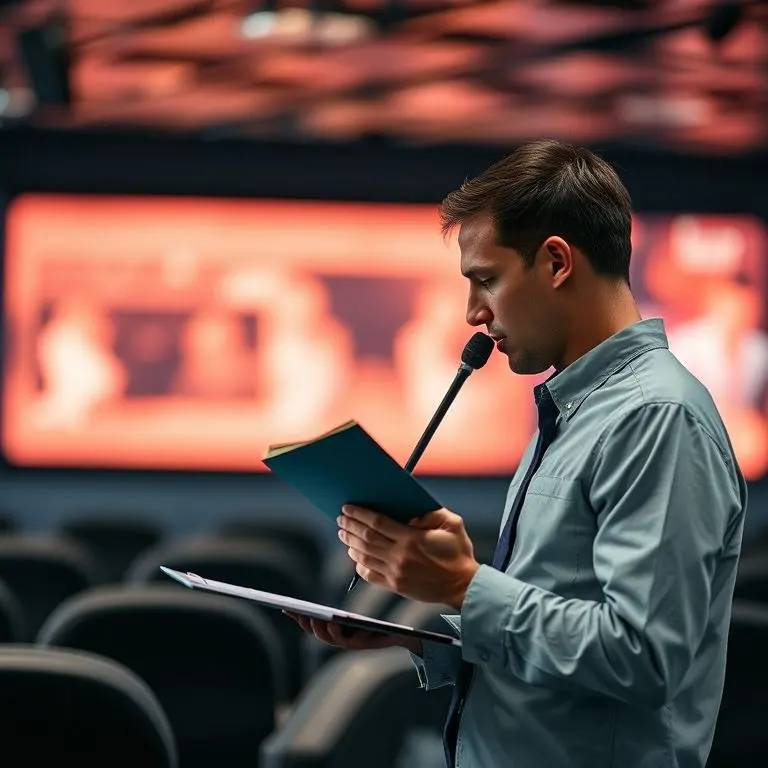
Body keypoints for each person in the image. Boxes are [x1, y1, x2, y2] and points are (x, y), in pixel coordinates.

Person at [285, 139, 748, 768]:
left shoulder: (654, 417)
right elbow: (558, 632)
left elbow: (642, 659)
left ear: (556, 262)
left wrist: (463, 586)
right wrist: (424, 637)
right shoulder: (575, 406)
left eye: (486, 279)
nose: (475, 312)